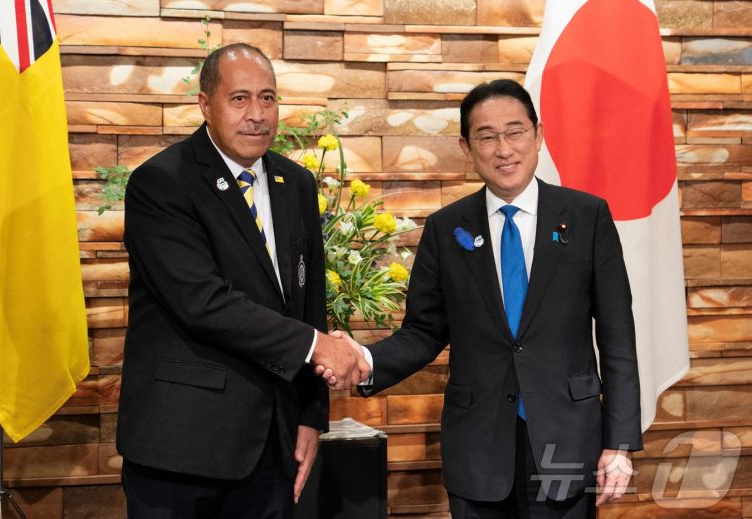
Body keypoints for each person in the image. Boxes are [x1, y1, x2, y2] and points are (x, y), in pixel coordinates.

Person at [321, 79, 643, 518]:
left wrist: (619, 444)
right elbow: (423, 332)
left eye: (515, 132)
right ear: (466, 147)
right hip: (478, 447)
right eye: (486, 137)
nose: (503, 149)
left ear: (538, 135)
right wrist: (366, 359)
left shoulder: (588, 217)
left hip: (567, 441)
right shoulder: (445, 229)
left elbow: (617, 337)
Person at [116, 43, 369, 519]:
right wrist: (318, 347)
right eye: (239, 99)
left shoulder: (295, 184)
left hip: (272, 449)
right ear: (205, 104)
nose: (257, 114)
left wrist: (312, 415)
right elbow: (203, 302)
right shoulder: (162, 183)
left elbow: (309, 303)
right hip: (182, 450)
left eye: (267, 98)